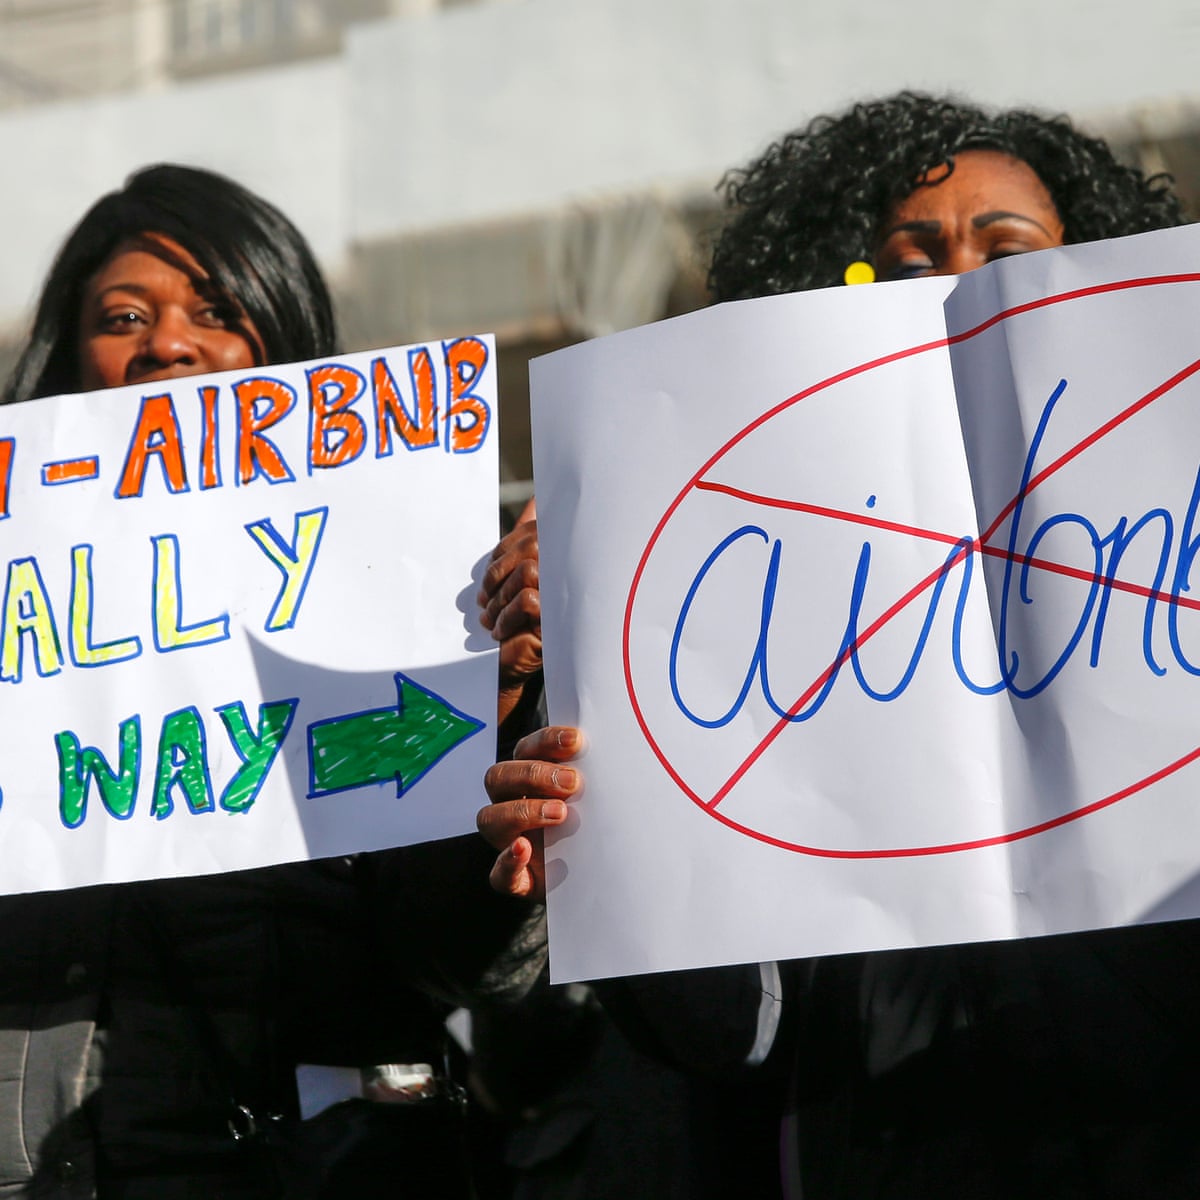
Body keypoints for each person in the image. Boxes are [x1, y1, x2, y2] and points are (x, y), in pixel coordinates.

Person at [475, 93, 1200, 1198]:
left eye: (1007, 246)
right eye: (903, 263)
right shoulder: (759, 580)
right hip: (880, 1135)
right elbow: (734, 1028)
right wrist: (595, 776)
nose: (956, 277)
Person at [0, 163, 546, 1199]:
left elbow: (467, 964)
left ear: (283, 340)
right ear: (70, 359)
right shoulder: (16, 611)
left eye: (218, 310)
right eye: (124, 315)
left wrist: (508, 730)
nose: (167, 343)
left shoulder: (390, 594)